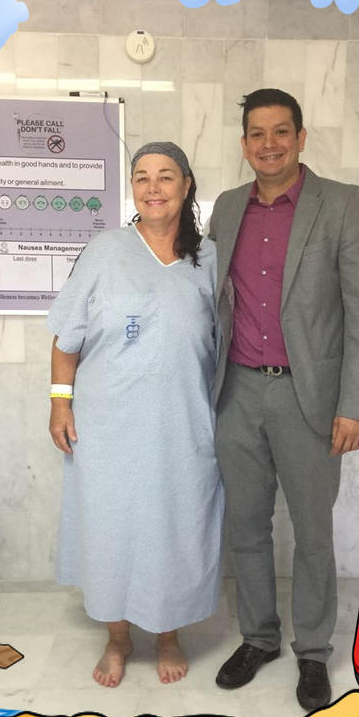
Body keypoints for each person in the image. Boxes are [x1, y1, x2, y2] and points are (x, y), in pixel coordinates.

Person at [208, 89, 359, 712]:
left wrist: (354, 403)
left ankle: (312, 650)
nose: (270, 144)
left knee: (311, 530)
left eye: (281, 132)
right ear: (244, 144)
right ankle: (259, 638)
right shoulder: (227, 208)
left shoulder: (344, 204)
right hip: (236, 391)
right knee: (246, 525)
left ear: (301, 137)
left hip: (310, 396)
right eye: (257, 134)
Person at [47, 142, 223, 688]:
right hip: (108, 426)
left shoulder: (210, 259)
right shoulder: (105, 251)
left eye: (165, 176)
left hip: (182, 424)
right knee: (112, 528)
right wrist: (59, 401)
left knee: (176, 525)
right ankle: (118, 638)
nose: (153, 187)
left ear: (186, 186)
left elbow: (229, 341)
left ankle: (168, 635)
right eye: (142, 177)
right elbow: (67, 336)